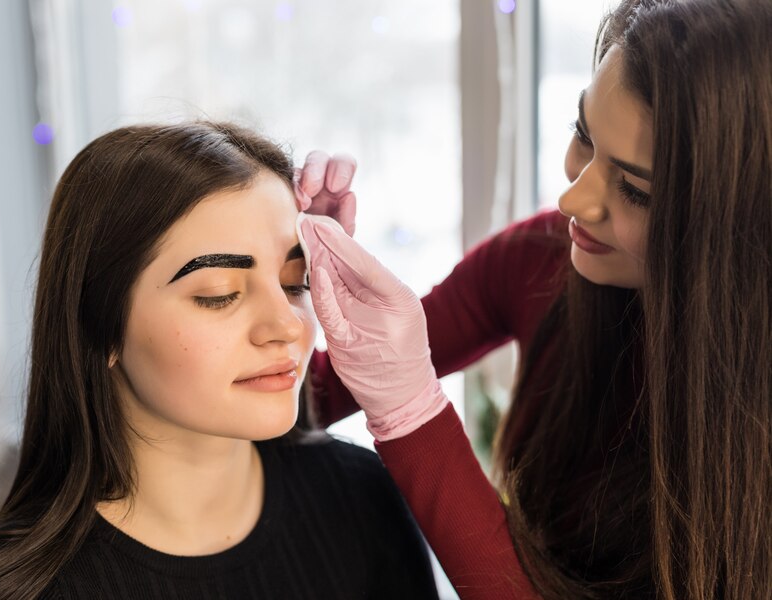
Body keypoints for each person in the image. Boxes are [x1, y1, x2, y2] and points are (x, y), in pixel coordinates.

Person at [295, 0, 771, 598]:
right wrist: (295, 276)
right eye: (583, 135)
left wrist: (411, 412)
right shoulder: (541, 256)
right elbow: (307, 397)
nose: (573, 199)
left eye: (634, 189)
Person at [0, 122, 439, 600]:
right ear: (100, 325)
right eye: (219, 294)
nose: (288, 325)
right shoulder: (23, 589)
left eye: (296, 283)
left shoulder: (361, 494)